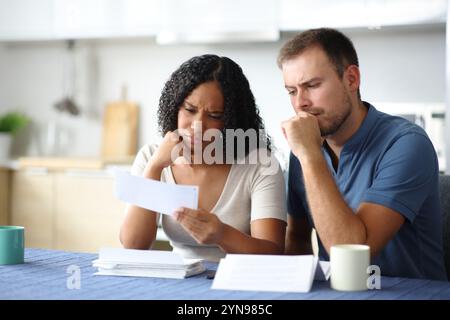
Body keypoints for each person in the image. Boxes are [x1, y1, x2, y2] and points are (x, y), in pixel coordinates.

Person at [278, 28, 447, 280]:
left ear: (351, 79)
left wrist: (310, 155)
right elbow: (297, 237)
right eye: (291, 91)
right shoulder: (304, 149)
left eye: (312, 85)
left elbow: (353, 254)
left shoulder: (407, 144)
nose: (300, 103)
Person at [120, 54, 287, 262]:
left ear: (232, 121)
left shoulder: (260, 166)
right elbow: (133, 245)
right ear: (175, 108)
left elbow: (272, 254)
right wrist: (154, 168)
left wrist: (222, 235)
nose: (198, 126)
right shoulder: (151, 157)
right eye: (190, 110)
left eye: (215, 115)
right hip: (180, 282)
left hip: (239, 282)